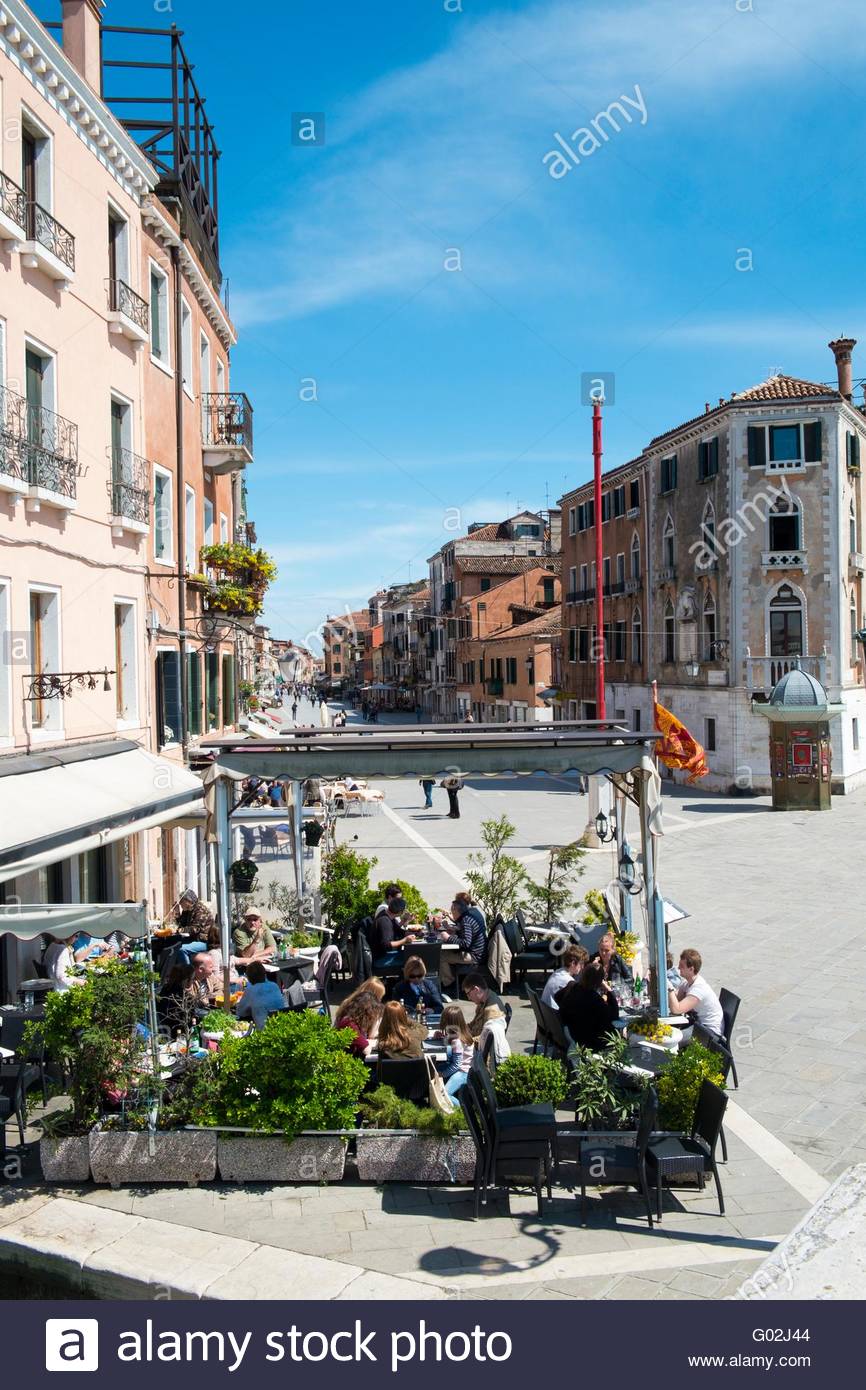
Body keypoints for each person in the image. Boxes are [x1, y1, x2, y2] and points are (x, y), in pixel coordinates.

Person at [556, 960, 619, 1050]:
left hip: (572, 1030)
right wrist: (609, 990)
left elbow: (557, 996)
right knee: (617, 1030)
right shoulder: (594, 999)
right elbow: (614, 1016)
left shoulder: (572, 986)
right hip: (589, 1040)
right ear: (599, 981)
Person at [667, 948, 724, 1042]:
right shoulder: (687, 982)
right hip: (698, 1025)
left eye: (681, 966)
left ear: (691, 969)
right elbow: (675, 1001)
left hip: (709, 1033)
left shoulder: (698, 989)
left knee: (673, 1039)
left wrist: (669, 988)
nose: (678, 968)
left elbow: (676, 1009)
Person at [437, 897, 487, 989]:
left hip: (475, 956)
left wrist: (448, 938)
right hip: (479, 952)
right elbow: (466, 933)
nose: (451, 914)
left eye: (452, 911)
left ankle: (448, 983)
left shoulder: (466, 920)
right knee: (445, 953)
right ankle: (448, 979)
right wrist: (455, 930)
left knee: (441, 956)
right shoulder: (468, 916)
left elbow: (465, 943)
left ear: (456, 910)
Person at [436, 1003, 475, 1098]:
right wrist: (442, 1037)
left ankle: (462, 1110)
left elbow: (456, 1065)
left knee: (444, 1095)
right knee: (435, 1069)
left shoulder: (457, 1041)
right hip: (466, 1068)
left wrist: (443, 1074)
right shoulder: (462, 1031)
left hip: (463, 1072)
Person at [369, 896, 418, 970]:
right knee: (413, 960)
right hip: (381, 959)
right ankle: (406, 980)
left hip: (383, 955)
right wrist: (405, 940)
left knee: (412, 955)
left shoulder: (386, 914)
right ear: (400, 912)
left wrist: (410, 932)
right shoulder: (385, 922)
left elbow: (397, 929)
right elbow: (386, 944)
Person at [236, 960, 287, 1029]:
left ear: (249, 978)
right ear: (265, 974)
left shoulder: (251, 990)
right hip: (281, 1027)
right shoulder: (274, 985)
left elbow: (240, 1013)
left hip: (263, 1032)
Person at [334, 989, 383, 1058]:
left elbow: (371, 1035)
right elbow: (366, 1050)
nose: (373, 1017)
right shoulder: (349, 1024)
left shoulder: (354, 1021)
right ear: (367, 1012)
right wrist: (373, 1044)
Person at [541, 943, 588, 1008]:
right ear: (573, 963)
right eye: (581, 964)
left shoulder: (557, 972)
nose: (583, 967)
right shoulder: (568, 982)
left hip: (547, 1013)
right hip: (554, 1015)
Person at [462, 972, 505, 1038]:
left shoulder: (492, 1010)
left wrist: (462, 1040)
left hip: (478, 1045)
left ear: (476, 989)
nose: (469, 998)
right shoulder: (483, 1000)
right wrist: (459, 1030)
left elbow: (486, 1040)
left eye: (468, 994)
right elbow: (473, 1024)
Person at [477, 1003, 510, 1071]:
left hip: (493, 1060)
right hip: (505, 1055)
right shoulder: (500, 1025)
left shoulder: (488, 1029)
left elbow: (482, 1049)